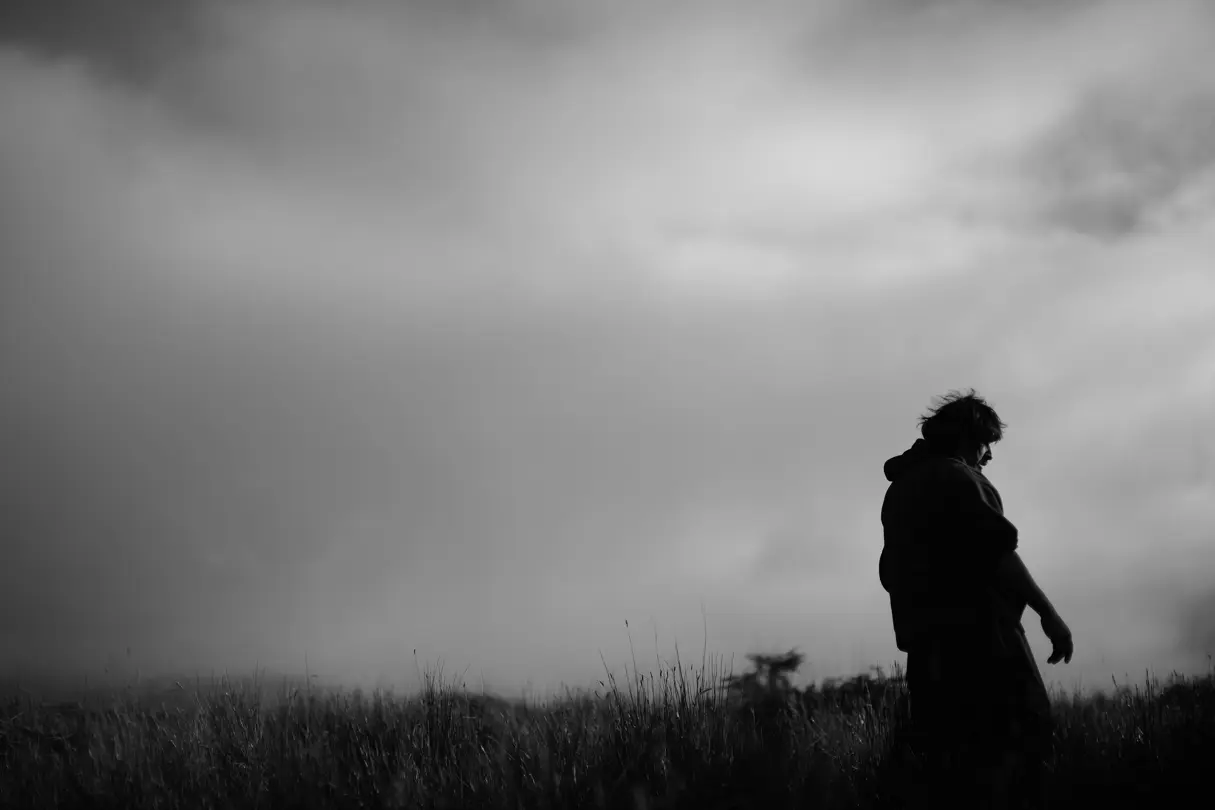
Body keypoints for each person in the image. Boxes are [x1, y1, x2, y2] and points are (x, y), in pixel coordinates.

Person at [879, 389, 1074, 809]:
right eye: (987, 445)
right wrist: (1049, 614)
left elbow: (890, 573)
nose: (989, 456)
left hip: (926, 650)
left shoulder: (900, 490)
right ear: (970, 438)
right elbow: (999, 554)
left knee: (946, 764)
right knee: (1023, 741)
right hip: (985, 642)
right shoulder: (957, 478)